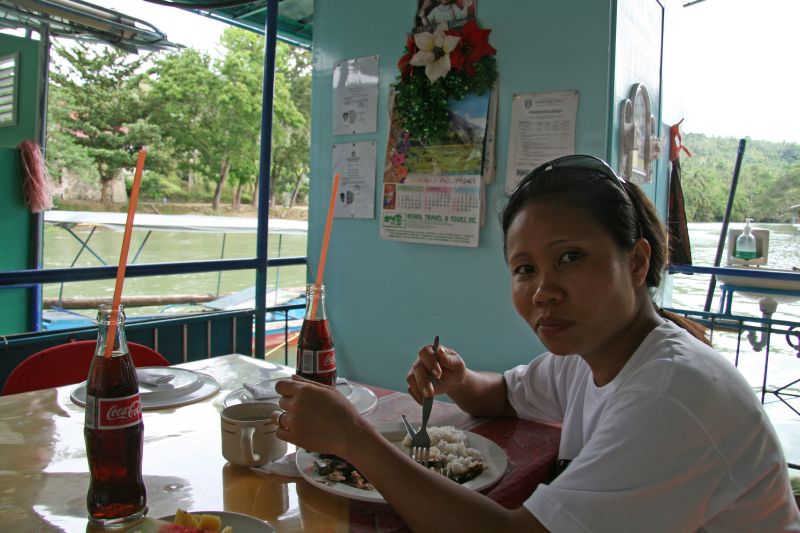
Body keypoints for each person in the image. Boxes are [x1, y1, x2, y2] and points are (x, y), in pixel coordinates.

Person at [273, 155, 800, 532]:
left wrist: (356, 441)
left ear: (636, 263)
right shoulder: (596, 355)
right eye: (525, 269)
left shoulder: (674, 392)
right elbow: (503, 393)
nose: (544, 291)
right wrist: (460, 378)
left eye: (571, 257)